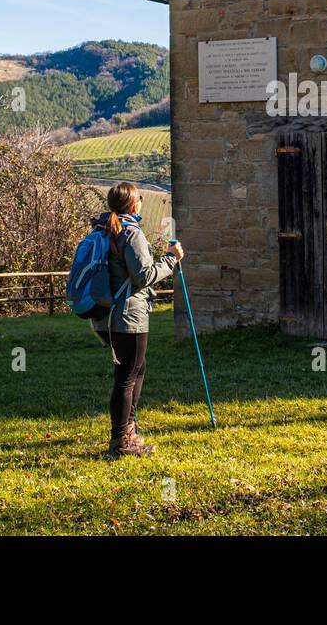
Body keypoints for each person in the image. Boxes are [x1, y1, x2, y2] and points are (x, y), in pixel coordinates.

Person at [91, 181, 183, 459]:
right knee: (127, 378)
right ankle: (121, 441)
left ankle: (127, 434)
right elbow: (142, 277)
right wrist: (171, 259)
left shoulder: (102, 230)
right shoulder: (131, 234)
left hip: (105, 316)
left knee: (132, 373)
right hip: (128, 317)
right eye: (139, 198)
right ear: (134, 204)